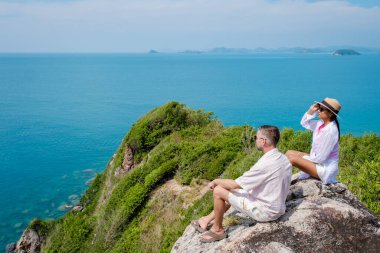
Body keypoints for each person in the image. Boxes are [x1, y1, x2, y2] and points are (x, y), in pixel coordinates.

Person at [191, 125, 292, 243]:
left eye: (256, 137)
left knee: (219, 190)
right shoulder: (282, 157)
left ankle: (217, 230)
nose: (255, 140)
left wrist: (216, 181)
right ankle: (205, 220)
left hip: (266, 212)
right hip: (276, 206)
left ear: (263, 141)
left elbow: (235, 184)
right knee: (229, 192)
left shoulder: (265, 163)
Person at [285, 97, 341, 184]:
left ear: (330, 114)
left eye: (321, 109)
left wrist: (303, 158)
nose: (318, 111)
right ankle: (282, 180)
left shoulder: (330, 131)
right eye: (319, 107)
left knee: (292, 159)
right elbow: (304, 123)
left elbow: (321, 158)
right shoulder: (321, 124)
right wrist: (311, 110)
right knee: (289, 153)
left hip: (325, 169)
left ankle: (280, 183)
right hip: (318, 161)